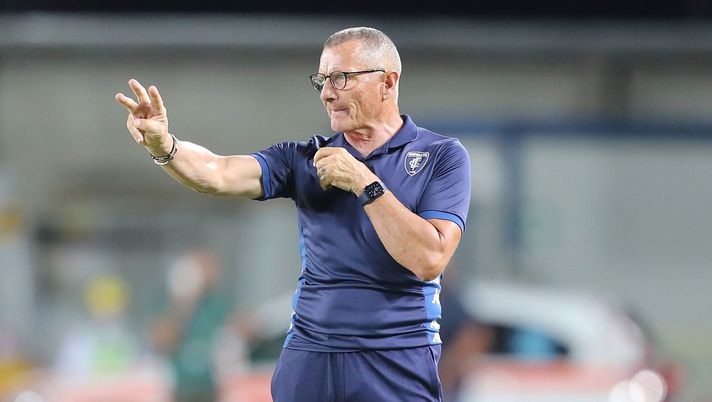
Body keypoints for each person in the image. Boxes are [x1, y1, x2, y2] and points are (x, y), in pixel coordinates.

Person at [115, 27, 471, 402]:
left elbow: (429, 258)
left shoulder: (441, 156)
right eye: (322, 80)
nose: (327, 93)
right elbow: (217, 173)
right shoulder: (303, 159)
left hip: (394, 360)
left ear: (388, 81)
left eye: (341, 78)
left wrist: (366, 183)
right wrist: (165, 146)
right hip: (310, 359)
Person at [151, 248, 232, 402]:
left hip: (212, 388)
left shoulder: (216, 304)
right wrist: (182, 305)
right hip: (179, 389)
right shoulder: (167, 304)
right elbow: (160, 341)